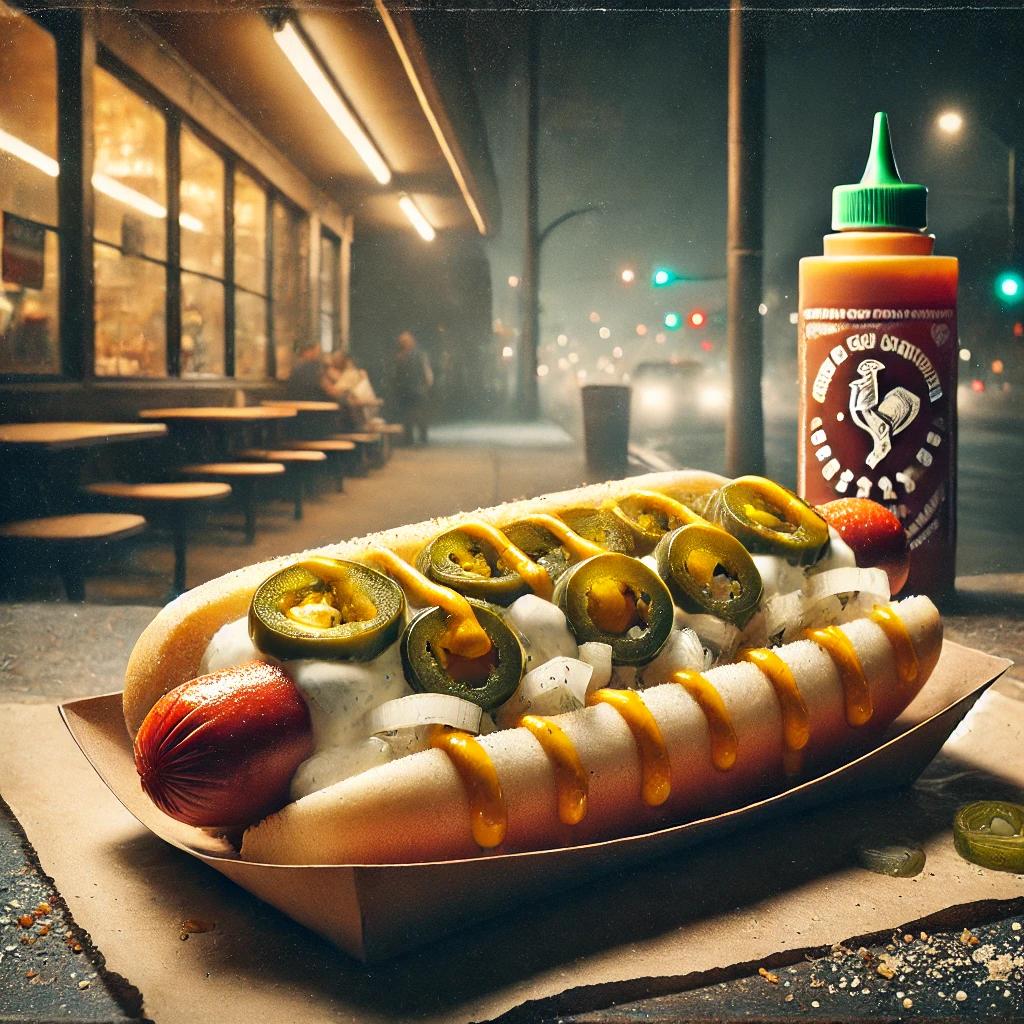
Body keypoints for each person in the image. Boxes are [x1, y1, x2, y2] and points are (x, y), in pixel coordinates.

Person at [392, 330, 433, 445]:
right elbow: (396, 374)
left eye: (405, 341)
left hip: (416, 389)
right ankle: (410, 438)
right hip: (407, 389)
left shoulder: (418, 354)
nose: (404, 343)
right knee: (408, 415)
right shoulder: (399, 356)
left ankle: (421, 438)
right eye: (402, 341)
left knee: (419, 414)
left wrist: (427, 385)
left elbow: (426, 370)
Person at [323, 351, 381, 428]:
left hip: (362, 414)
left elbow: (337, 391)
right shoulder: (345, 374)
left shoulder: (351, 373)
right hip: (356, 413)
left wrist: (334, 378)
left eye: (334, 361)